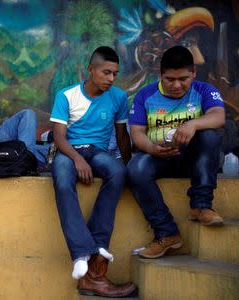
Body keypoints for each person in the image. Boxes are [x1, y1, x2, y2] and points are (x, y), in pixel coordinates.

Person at [50, 46, 135, 297]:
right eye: (106, 72)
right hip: (68, 150)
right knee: (63, 180)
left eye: (115, 74)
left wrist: (128, 167)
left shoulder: (118, 97)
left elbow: (121, 137)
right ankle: (80, 253)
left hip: (98, 152)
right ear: (91, 70)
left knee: (117, 172)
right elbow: (58, 137)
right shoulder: (66, 95)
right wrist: (77, 159)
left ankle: (98, 244)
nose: (111, 78)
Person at [127, 45, 225, 259]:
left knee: (210, 135)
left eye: (183, 78)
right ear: (160, 74)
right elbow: (136, 133)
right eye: (170, 79)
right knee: (135, 168)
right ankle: (167, 233)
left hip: (193, 160)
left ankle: (201, 206)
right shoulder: (145, 95)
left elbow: (218, 116)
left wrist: (193, 125)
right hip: (159, 158)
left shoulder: (205, 90)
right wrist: (152, 148)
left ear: (193, 73)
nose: (177, 85)